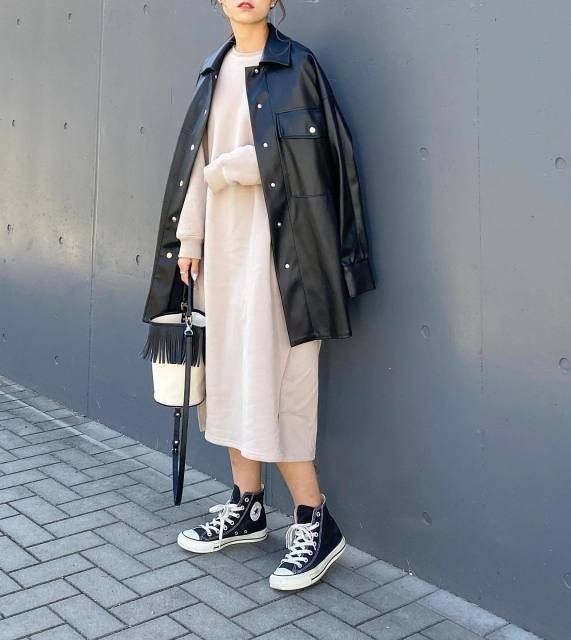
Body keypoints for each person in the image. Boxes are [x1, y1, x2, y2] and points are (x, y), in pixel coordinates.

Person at [171, 0, 373, 591]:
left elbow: (310, 159)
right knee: (230, 375)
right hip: (222, 251)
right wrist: (189, 237)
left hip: (282, 252)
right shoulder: (213, 69)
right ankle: (248, 503)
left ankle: (315, 520)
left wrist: (229, 168)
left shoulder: (297, 65)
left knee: (281, 378)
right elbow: (194, 162)